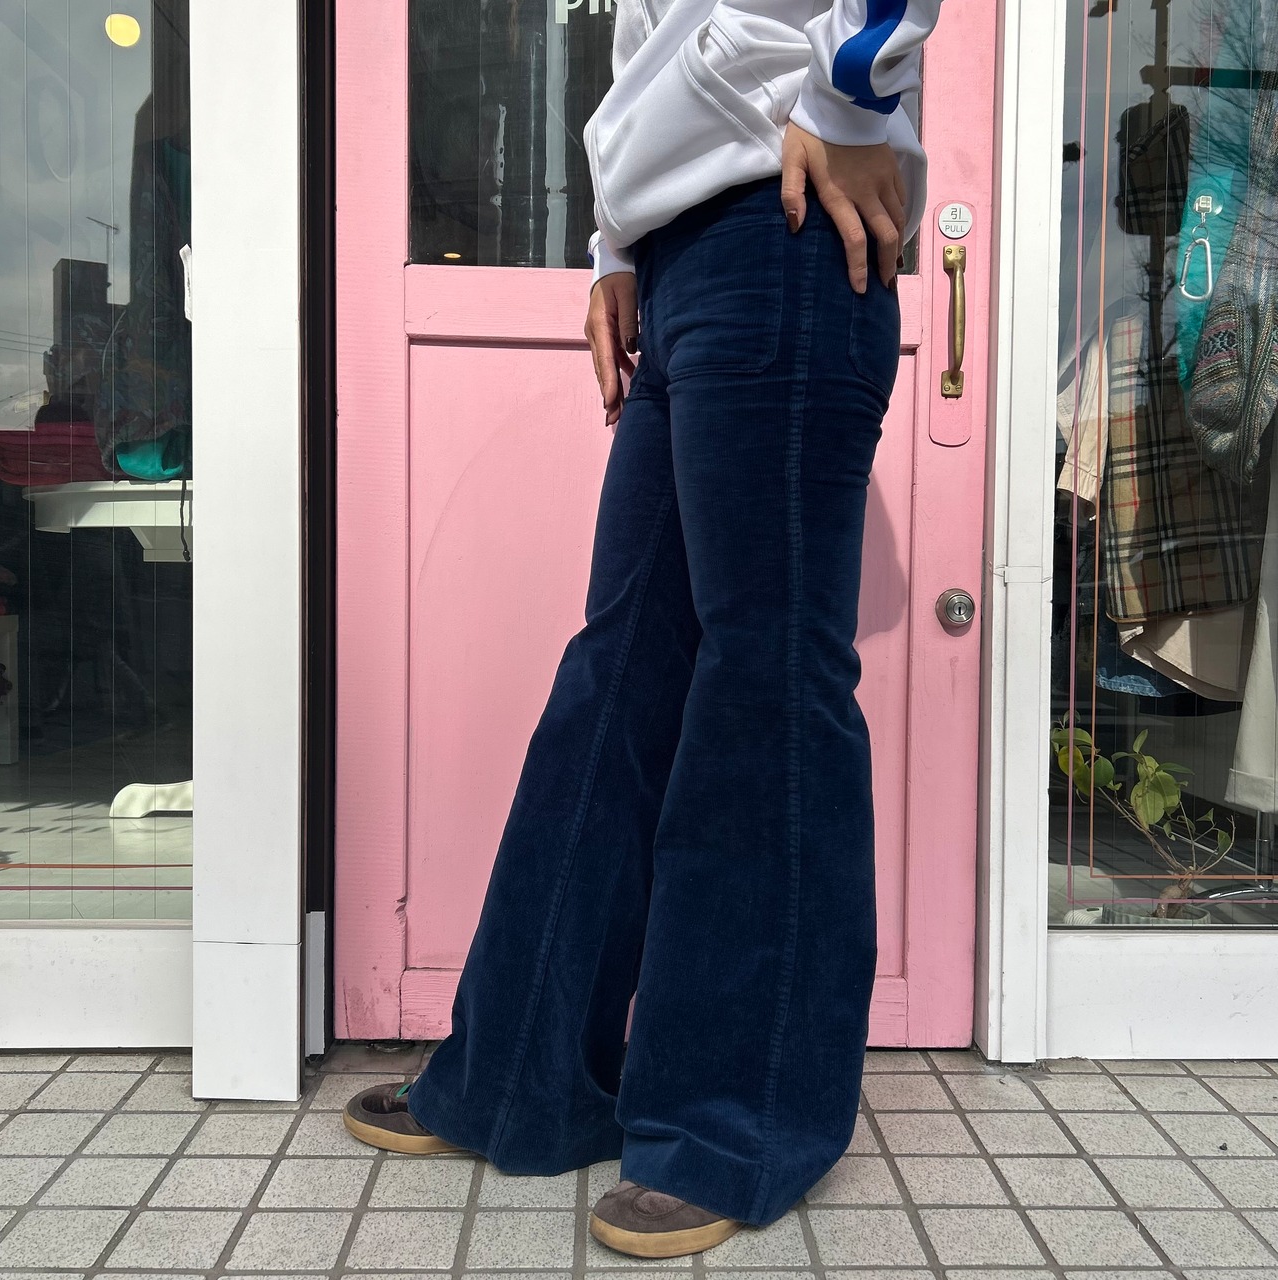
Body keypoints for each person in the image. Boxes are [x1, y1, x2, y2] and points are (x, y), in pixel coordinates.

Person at [345, 0, 944, 1259]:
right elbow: (644, 38)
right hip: (679, 248)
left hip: (790, 215)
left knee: (763, 684)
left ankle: (730, 1120)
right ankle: (522, 1072)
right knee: (615, 673)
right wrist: (615, 243)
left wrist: (850, 92)